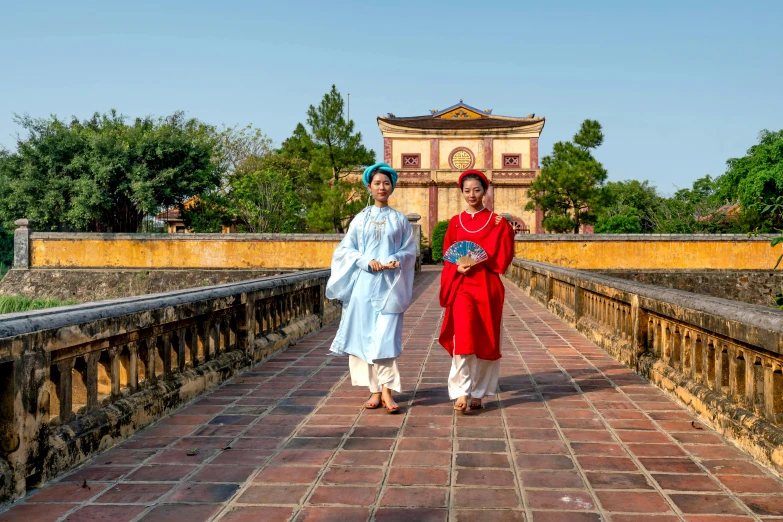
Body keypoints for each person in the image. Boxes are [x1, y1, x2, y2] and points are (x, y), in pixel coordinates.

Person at [325, 162, 417, 414]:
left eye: (386, 183)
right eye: (377, 183)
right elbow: (346, 250)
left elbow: (410, 250)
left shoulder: (399, 220)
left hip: (390, 285)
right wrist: (366, 261)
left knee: (386, 338)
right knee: (364, 337)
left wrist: (397, 258)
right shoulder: (360, 219)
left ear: (392, 187)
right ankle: (374, 390)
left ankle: (387, 391)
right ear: (369, 187)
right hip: (364, 286)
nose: (382, 187)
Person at [438, 169, 515, 413]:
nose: (472, 195)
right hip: (462, 287)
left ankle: (480, 391)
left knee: (486, 339)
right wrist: (456, 267)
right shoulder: (455, 223)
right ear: (461, 192)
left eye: (477, 190)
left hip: (487, 287)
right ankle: (462, 389)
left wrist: (485, 258)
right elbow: (448, 255)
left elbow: (503, 257)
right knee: (463, 338)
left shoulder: (497, 222)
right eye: (467, 190)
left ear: (485, 191)